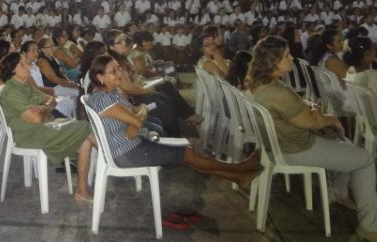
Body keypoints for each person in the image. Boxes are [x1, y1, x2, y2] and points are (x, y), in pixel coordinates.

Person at [248, 36, 377, 242]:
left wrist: (310, 110)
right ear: (273, 60)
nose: (292, 58)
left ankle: (338, 192)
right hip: (298, 149)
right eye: (286, 55)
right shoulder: (277, 92)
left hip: (281, 145)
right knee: (365, 159)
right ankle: (370, 227)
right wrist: (329, 118)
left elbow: (298, 113)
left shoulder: (260, 83)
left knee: (344, 145)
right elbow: (311, 123)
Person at [86, 54, 262, 185]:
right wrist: (135, 121)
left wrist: (136, 118)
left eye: (119, 68)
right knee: (188, 153)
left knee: (189, 151)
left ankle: (238, 175)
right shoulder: (103, 99)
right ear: (100, 77)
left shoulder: (111, 93)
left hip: (137, 143)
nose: (120, 73)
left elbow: (139, 110)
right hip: (130, 153)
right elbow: (139, 118)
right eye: (113, 71)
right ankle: (239, 169)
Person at [0, 53, 95, 204]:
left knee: (85, 142)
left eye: (26, 63)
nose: (28, 66)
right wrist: (44, 111)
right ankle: (112, 155)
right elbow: (36, 119)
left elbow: (52, 100)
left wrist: (43, 109)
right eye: (23, 65)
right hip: (29, 134)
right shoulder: (11, 92)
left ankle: (81, 191)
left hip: (44, 127)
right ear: (12, 71)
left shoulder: (25, 84)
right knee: (84, 126)